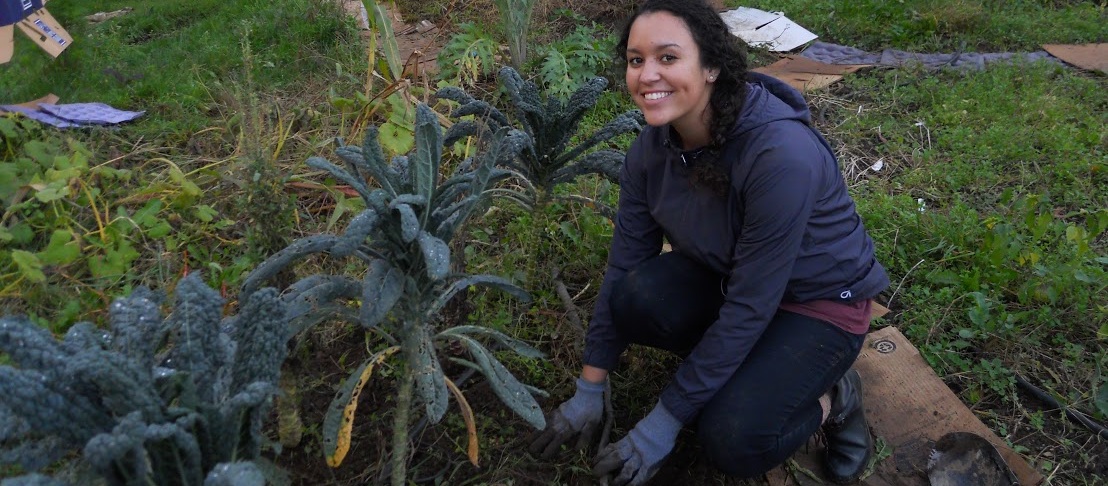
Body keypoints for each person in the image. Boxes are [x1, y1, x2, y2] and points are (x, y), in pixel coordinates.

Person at [526, 0, 890, 484]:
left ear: (712, 66)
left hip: (817, 304)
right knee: (635, 296)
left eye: (668, 58)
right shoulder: (650, 150)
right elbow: (623, 267)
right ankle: (746, 375)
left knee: (732, 438)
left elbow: (750, 306)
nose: (647, 74)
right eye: (636, 60)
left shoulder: (780, 155)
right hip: (731, 278)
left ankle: (833, 398)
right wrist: (589, 389)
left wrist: (663, 421)